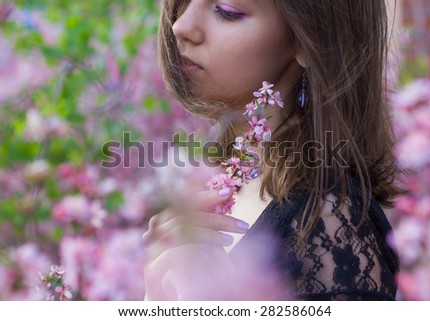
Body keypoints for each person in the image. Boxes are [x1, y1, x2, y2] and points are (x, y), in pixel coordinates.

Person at [143, 0, 400, 300]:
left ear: (306, 39)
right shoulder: (214, 177)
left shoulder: (330, 221)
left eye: (227, 10)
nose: (181, 26)